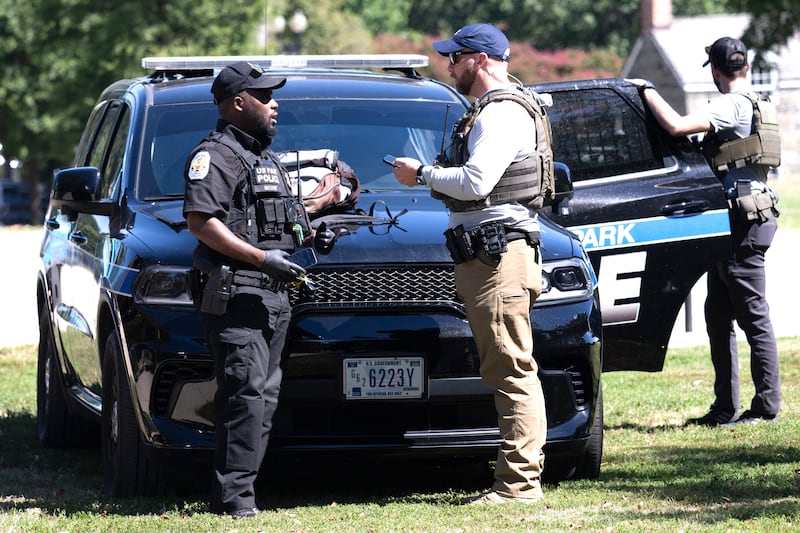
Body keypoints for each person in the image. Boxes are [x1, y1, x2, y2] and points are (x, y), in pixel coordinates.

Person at [392, 23, 548, 504]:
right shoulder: (501, 107)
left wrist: (421, 174)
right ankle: (516, 476)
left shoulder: (500, 114)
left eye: (455, 58)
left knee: (511, 369)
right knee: (506, 366)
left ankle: (519, 485)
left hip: (498, 258)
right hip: (491, 254)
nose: (449, 66)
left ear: (479, 59)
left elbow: (477, 182)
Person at [183, 62, 333, 517]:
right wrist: (261, 259)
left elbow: (277, 221)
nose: (275, 104)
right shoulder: (216, 155)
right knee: (244, 396)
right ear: (237, 103)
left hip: (272, 297)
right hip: (237, 295)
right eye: (265, 97)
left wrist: (310, 234)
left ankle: (241, 496)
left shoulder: (263, 158)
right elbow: (201, 222)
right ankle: (233, 503)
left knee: (264, 398)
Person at [628, 36, 781, 427]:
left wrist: (646, 90)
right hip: (737, 220)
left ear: (715, 70)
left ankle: (766, 408)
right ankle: (724, 407)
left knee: (753, 317)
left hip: (741, 223)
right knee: (718, 315)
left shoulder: (731, 103)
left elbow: (678, 126)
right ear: (743, 66)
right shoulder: (758, 100)